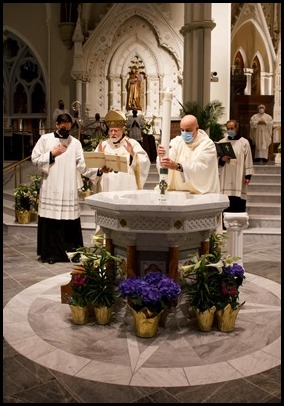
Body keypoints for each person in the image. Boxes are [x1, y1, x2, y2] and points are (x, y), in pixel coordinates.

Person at [31, 113, 98, 264]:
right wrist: (52, 154)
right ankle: (50, 254)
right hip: (51, 185)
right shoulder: (45, 139)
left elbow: (82, 166)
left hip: (68, 187)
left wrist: (98, 171)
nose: (66, 130)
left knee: (69, 221)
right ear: (57, 125)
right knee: (51, 221)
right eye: (63, 127)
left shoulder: (75, 143)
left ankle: (71, 252)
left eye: (68, 128)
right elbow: (34, 159)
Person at [156, 114, 220, 194]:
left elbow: (201, 168)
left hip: (199, 194)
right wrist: (162, 155)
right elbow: (167, 160)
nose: (184, 133)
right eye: (182, 130)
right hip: (178, 192)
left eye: (188, 130)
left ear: (196, 128)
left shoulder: (207, 144)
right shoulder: (177, 141)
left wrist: (177, 166)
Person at [93, 110, 150, 192]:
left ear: (122, 130)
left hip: (125, 187)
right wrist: (99, 158)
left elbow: (145, 161)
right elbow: (93, 168)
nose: (113, 133)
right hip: (107, 188)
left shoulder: (132, 143)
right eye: (111, 131)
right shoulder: (103, 145)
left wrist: (132, 153)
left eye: (115, 131)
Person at [218, 119, 253, 215]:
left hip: (239, 176)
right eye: (228, 128)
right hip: (226, 176)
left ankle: (238, 221)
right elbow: (217, 160)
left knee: (238, 198)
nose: (230, 130)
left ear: (236, 128)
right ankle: (225, 224)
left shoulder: (244, 142)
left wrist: (248, 176)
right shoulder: (222, 142)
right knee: (226, 199)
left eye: (232, 128)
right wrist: (222, 159)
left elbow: (248, 159)